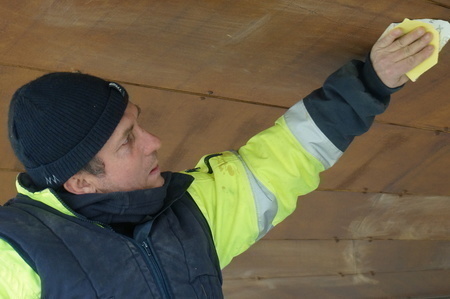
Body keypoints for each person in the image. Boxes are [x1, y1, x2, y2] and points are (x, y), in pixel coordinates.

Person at [0, 26, 434, 298]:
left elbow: (286, 156)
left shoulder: (190, 209)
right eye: (127, 142)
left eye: (138, 124)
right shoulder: (15, 257)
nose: (154, 142)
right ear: (80, 182)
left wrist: (371, 80)